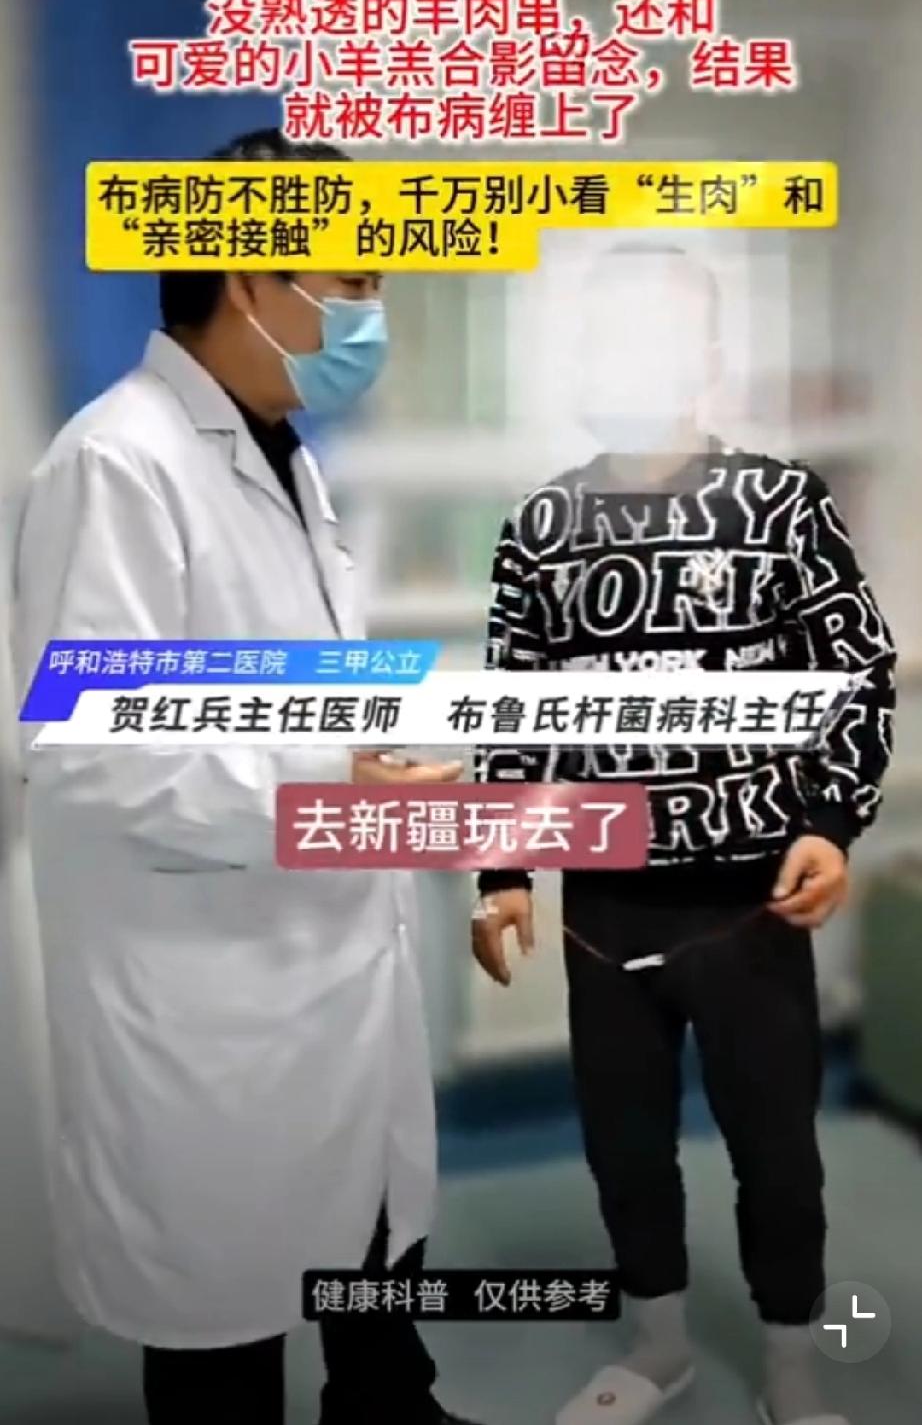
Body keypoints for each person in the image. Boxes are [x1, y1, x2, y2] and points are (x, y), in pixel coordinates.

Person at [12, 128, 483, 1425]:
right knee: (225, 1323)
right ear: (245, 280)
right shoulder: (118, 461)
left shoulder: (284, 457)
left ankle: (388, 1405)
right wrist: (333, 771)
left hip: (327, 960)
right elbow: (89, 752)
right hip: (210, 992)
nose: (371, 314)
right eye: (352, 282)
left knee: (370, 1251)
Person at [471, 247, 896, 1425]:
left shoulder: (778, 503)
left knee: (778, 1150)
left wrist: (829, 823)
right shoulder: (541, 525)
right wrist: (505, 869)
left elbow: (855, 670)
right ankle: (658, 1345)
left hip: (750, 896)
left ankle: (793, 1365)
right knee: (624, 1142)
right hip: (604, 898)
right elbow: (515, 708)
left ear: (705, 359)